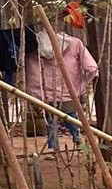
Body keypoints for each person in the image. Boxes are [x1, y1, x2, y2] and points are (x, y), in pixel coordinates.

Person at [24, 14, 98, 152]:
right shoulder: (75, 43)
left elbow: (20, 66)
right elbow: (92, 68)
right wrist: (83, 83)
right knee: (71, 116)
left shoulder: (31, 45)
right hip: (68, 90)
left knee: (50, 118)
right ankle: (77, 139)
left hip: (42, 92)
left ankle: (53, 146)